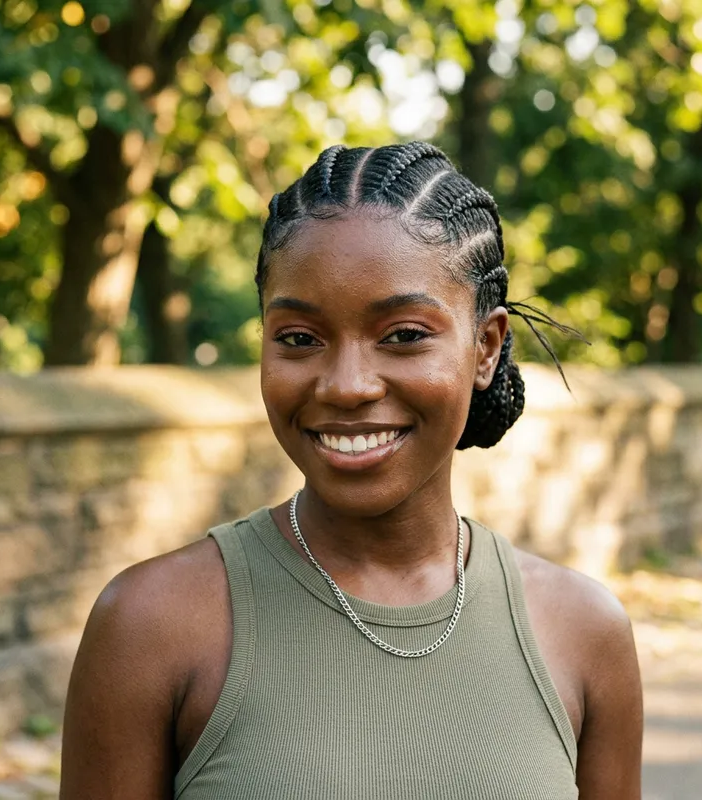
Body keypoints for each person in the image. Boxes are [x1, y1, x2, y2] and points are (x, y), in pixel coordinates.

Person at [60, 142, 643, 799]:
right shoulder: (151, 625)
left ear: (485, 347)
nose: (346, 385)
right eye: (300, 339)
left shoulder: (584, 632)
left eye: (403, 335)